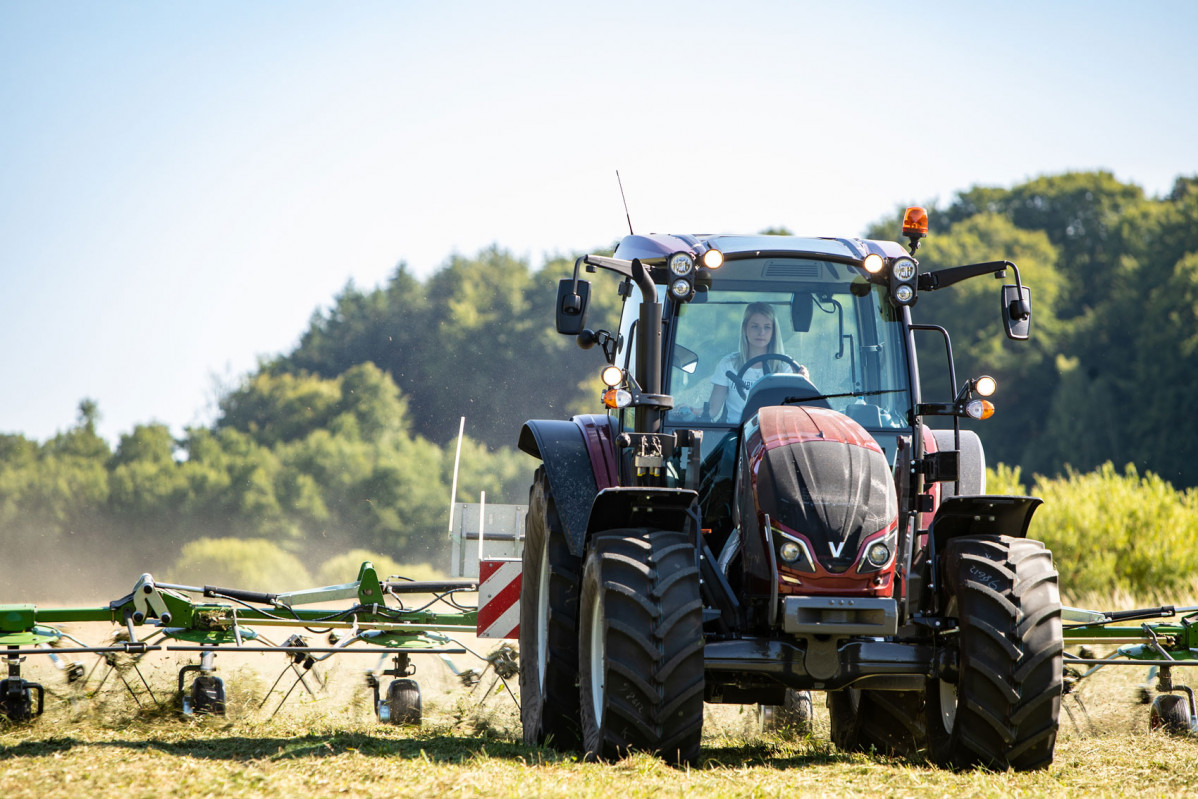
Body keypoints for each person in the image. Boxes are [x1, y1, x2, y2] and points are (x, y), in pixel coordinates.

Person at [695, 302, 810, 423]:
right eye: (755, 326)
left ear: (773, 331)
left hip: (773, 433)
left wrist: (803, 382)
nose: (761, 332)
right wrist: (690, 411)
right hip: (736, 433)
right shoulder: (729, 364)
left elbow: (796, 410)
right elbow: (712, 410)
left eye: (767, 327)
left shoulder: (785, 366)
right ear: (745, 328)